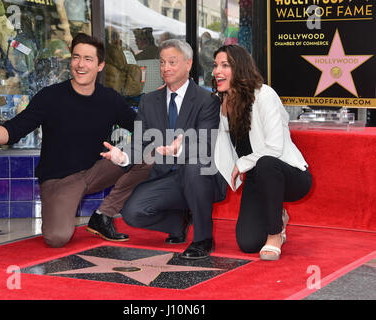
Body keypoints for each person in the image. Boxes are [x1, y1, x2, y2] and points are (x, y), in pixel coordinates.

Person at [0, 33, 152, 248]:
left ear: (100, 66)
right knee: (57, 238)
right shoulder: (50, 97)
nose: (80, 64)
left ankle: (103, 215)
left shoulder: (110, 99)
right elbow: (14, 129)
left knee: (149, 154)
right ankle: (57, 207)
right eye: (76, 57)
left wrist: (163, 129)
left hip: (96, 171)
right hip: (59, 181)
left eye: (88, 59)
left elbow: (143, 129)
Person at [101, 39, 224, 260]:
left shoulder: (207, 100)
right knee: (131, 212)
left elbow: (207, 144)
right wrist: (124, 155)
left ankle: (203, 239)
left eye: (172, 62)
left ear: (188, 64)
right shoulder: (149, 101)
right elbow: (140, 140)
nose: (165, 68)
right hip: (168, 178)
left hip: (202, 176)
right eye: (162, 62)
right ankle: (179, 221)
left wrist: (180, 148)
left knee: (194, 165)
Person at [212, 44, 312, 261]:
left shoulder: (264, 95)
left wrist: (242, 164)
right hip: (257, 179)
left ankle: (275, 235)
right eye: (215, 65)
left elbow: (275, 147)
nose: (216, 71)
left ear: (240, 69)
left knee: (266, 162)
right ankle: (278, 216)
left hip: (290, 175)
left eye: (224, 65)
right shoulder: (223, 103)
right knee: (248, 243)